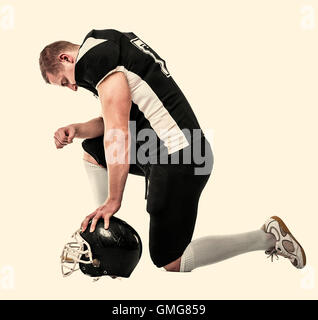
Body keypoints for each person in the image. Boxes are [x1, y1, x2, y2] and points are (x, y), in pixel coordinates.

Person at [39, 28, 306, 273]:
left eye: (64, 81)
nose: (72, 88)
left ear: (66, 58)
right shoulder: (105, 44)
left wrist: (113, 199)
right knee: (93, 152)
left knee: (171, 261)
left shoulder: (94, 60)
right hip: (169, 146)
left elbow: (117, 132)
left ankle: (269, 237)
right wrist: (77, 129)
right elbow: (118, 118)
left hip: (179, 155)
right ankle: (105, 234)